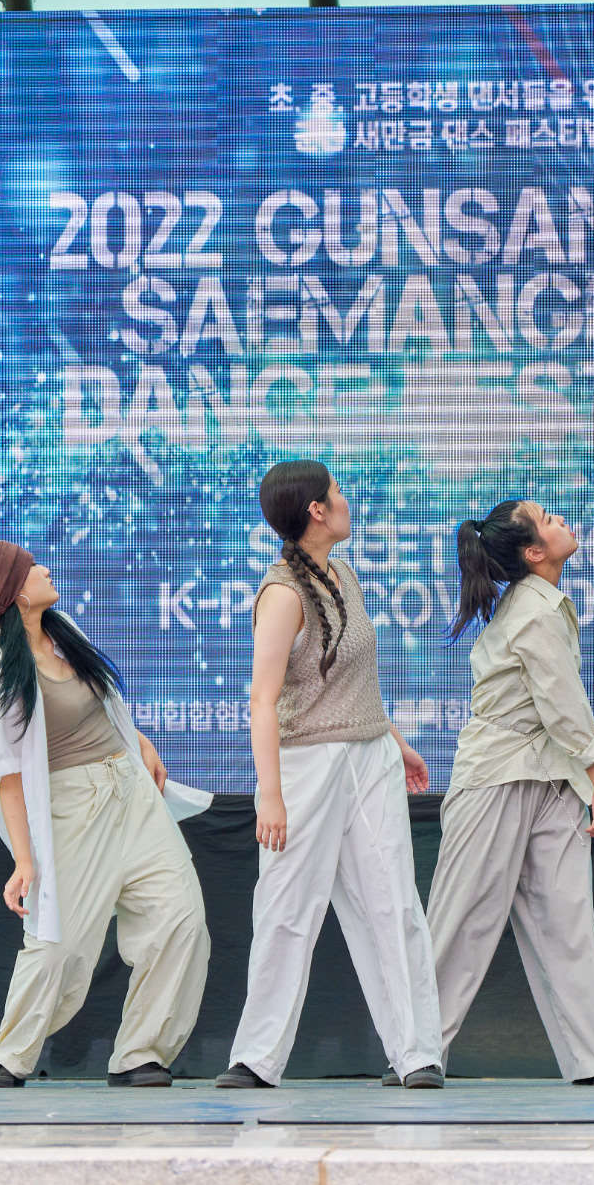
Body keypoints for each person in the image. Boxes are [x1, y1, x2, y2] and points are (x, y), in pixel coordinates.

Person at [215, 460, 444, 1089]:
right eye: (337, 492)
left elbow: (353, 681)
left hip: (369, 756)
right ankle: (257, 1057)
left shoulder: (344, 575)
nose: (346, 500)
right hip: (305, 764)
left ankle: (417, 1053)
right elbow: (262, 701)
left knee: (393, 901)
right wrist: (270, 795)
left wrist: (396, 740)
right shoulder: (282, 593)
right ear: (317, 510)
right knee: (287, 907)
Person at [0, 539, 212, 1088]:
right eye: (31, 566)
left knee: (181, 918)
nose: (44, 568)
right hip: (74, 807)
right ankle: (11, 1053)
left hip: (132, 795)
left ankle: (140, 1054)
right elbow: (5, 774)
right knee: (59, 944)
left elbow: (101, 706)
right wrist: (24, 860)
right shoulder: (6, 668)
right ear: (15, 592)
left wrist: (138, 741)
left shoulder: (63, 630)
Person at [423, 500, 594, 1086]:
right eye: (547, 518)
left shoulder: (540, 603)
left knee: (566, 918)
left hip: (549, 776)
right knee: (462, 917)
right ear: (534, 552)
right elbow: (563, 704)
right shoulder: (535, 610)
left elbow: (559, 706)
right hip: (498, 774)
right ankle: (416, 1050)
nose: (562, 518)